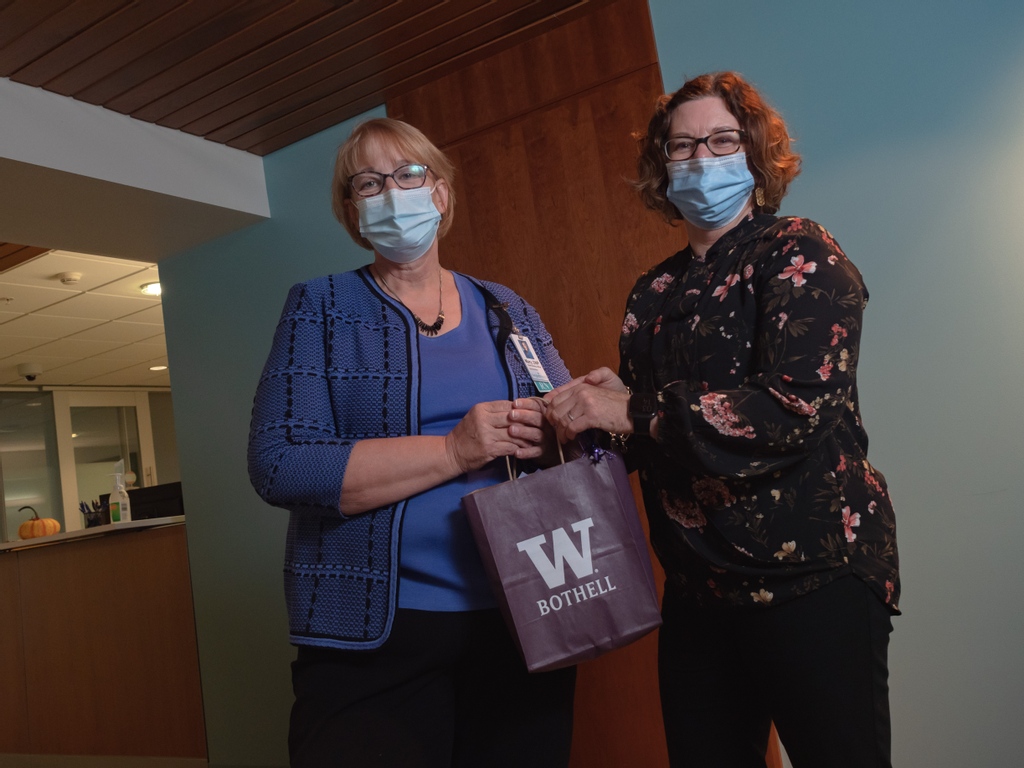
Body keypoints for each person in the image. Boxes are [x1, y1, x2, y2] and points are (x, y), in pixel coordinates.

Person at [544, 72, 899, 768]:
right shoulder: (652, 293)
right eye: (682, 146)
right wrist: (594, 411)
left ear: (756, 153)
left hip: (813, 578)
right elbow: (655, 434)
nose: (701, 158)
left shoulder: (800, 251)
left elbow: (792, 409)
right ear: (663, 166)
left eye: (721, 140)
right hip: (698, 593)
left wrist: (633, 407)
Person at [247, 117, 576, 768]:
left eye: (408, 174)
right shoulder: (321, 308)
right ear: (351, 209)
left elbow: (577, 443)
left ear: (441, 193)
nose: (392, 193)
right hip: (372, 633)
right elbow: (279, 464)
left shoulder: (507, 307)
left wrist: (566, 429)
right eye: (369, 183)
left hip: (522, 614)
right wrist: (455, 450)